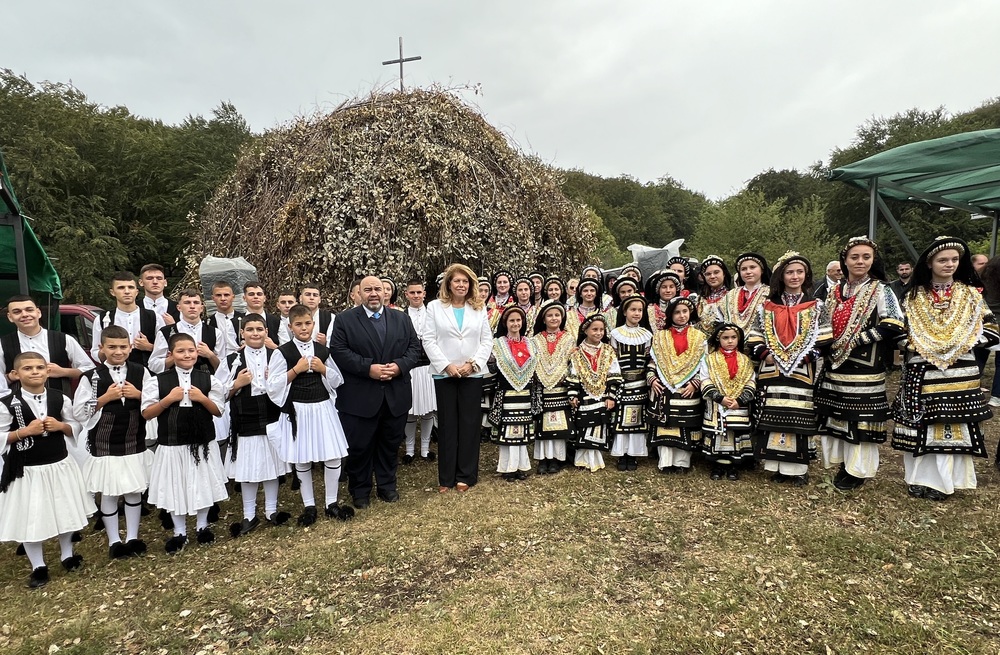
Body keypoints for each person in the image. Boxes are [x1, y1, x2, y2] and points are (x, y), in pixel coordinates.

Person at [892, 236, 998, 501]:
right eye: (942, 260)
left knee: (951, 423)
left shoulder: (970, 295)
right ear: (929, 263)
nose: (949, 264)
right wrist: (920, 346)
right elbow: (898, 332)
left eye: (954, 259)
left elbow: (993, 330)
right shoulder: (913, 296)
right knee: (923, 423)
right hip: (922, 369)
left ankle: (945, 482)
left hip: (960, 372)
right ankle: (919, 478)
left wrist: (962, 343)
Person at [815, 237, 905, 491]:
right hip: (835, 363)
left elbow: (893, 323)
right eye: (854, 257)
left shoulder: (881, 290)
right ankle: (843, 464)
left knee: (861, 417)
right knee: (837, 414)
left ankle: (858, 470)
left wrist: (859, 339)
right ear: (845, 261)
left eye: (866, 257)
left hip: (865, 362)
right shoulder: (834, 291)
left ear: (873, 260)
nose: (860, 261)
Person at [0, 352, 92, 588]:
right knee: (31, 517)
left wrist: (61, 426)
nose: (34, 372)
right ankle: (38, 565)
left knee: (65, 511)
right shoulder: (7, 403)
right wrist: (23, 432)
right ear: (15, 374)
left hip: (59, 464)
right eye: (28, 368)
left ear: (47, 371)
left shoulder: (59, 398)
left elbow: (74, 425)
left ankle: (67, 554)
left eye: (39, 368)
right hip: (28, 469)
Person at [330, 276, 422, 509]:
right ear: (358, 293)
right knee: (360, 447)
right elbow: (339, 352)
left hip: (395, 395)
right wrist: (367, 368)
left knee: (389, 444)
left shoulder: (401, 318)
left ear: (386, 293)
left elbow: (414, 348)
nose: (373, 293)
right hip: (360, 397)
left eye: (378, 289)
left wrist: (400, 365)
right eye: (368, 289)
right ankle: (360, 491)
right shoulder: (344, 320)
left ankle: (387, 486)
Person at [748, 252, 831, 486]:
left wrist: (804, 357)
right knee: (774, 415)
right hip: (771, 370)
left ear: (806, 276)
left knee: (797, 415)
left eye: (799, 272)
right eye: (789, 272)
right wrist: (766, 355)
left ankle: (798, 468)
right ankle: (777, 466)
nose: (794, 276)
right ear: (781, 276)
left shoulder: (816, 306)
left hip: (802, 371)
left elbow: (825, 339)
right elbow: (754, 337)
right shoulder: (767, 307)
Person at [141, 334, 229, 553]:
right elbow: (146, 413)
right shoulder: (158, 380)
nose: (187, 355)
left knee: (202, 482)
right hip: (173, 442)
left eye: (190, 350)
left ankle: (202, 526)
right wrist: (168, 400)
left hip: (201, 441)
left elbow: (218, 411)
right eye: (181, 351)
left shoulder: (208, 379)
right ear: (171, 354)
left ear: (196, 351)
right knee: (175, 485)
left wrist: (202, 398)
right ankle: (179, 531)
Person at [266, 305, 353, 523]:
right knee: (302, 457)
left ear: (313, 324)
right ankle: (309, 506)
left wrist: (323, 369)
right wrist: (296, 370)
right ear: (290, 326)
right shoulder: (282, 352)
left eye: (307, 323)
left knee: (332, 454)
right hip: (298, 409)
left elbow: (337, 380)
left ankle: (331, 503)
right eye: (298, 324)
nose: (303, 328)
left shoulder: (323, 350)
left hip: (322, 406)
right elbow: (273, 385)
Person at [74, 326, 152, 559]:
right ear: (102, 348)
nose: (118, 351)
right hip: (104, 440)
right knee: (109, 491)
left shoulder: (141, 371)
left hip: (133, 436)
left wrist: (138, 395)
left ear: (129, 348)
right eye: (112, 347)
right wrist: (104, 398)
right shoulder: (91, 377)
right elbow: (79, 412)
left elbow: (154, 400)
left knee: (133, 490)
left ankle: (133, 537)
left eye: (122, 347)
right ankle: (114, 540)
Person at [216, 315, 290, 536]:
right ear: (242, 333)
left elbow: (285, 385)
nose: (255, 333)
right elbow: (220, 393)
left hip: (271, 413)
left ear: (267, 331)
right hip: (244, 414)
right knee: (247, 467)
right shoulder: (231, 360)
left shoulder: (276, 356)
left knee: (271, 465)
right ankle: (249, 514)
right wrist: (237, 384)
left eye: (259, 329)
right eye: (250, 329)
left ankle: (271, 510)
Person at [422, 264, 493, 492]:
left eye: (465, 281)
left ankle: (466, 475)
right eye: (457, 281)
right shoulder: (434, 307)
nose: (461, 285)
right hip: (445, 374)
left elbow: (486, 341)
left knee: (470, 424)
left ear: (470, 284)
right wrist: (446, 365)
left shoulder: (479, 308)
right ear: (448, 284)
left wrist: (473, 364)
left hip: (471, 373)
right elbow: (428, 340)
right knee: (448, 424)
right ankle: (446, 478)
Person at [648, 297, 706, 473]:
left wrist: (695, 384)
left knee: (684, 424)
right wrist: (651, 379)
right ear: (670, 315)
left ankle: (682, 462)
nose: (681, 316)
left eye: (685, 312)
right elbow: (653, 361)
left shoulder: (699, 337)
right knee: (665, 424)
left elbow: (703, 365)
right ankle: (665, 462)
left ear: (691, 313)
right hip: (663, 387)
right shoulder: (660, 336)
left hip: (688, 388)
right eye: (677, 312)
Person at [2, 295, 94, 396]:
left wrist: (63, 371)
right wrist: (10, 377)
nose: (24, 314)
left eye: (29, 310)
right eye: (17, 312)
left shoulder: (64, 339)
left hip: (60, 404)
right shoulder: (2, 344)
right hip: (18, 406)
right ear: (10, 317)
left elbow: (90, 370)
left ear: (38, 313)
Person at [487, 306, 537, 481]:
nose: (515, 323)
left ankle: (521, 466)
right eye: (512, 320)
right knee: (507, 429)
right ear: (505, 323)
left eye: (518, 320)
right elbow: (492, 367)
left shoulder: (530, 343)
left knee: (521, 430)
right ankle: (508, 467)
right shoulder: (497, 344)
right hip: (506, 392)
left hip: (524, 393)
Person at [700, 324, 756, 480]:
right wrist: (720, 398)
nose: (730, 341)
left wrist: (740, 400)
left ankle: (733, 465)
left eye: (733, 337)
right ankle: (717, 465)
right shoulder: (709, 360)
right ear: (719, 339)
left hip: (738, 405)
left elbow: (751, 382)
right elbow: (704, 380)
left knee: (735, 433)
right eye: (725, 338)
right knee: (718, 434)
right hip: (718, 404)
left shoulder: (745, 360)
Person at [567, 314, 621, 471]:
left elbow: (614, 375)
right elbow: (573, 374)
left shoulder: (608, 350)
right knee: (583, 424)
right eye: (595, 329)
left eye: (602, 330)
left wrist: (611, 396)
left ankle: (595, 460)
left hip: (602, 395)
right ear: (585, 330)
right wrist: (573, 395)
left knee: (599, 424)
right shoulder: (577, 352)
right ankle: (582, 460)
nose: (598, 333)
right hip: (584, 394)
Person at [530, 300, 576, 475]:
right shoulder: (535, 340)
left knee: (559, 424)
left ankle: (557, 459)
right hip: (542, 387)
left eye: (557, 315)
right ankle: (543, 459)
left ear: (562, 317)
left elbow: (572, 363)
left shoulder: (569, 338)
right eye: (550, 315)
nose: (554, 318)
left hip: (561, 387)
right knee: (543, 424)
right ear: (543, 318)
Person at [608, 295, 652, 471]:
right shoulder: (615, 334)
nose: (636, 313)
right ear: (625, 311)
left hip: (640, 382)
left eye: (640, 310)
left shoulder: (647, 335)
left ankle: (633, 454)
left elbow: (648, 358)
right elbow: (612, 359)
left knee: (637, 418)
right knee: (622, 418)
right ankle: (621, 454)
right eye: (633, 309)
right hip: (622, 381)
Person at [91, 271, 163, 368]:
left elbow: (166, 351)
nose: (127, 291)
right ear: (112, 292)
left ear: (136, 292)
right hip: (113, 373)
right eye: (121, 288)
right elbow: (95, 351)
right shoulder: (102, 319)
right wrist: (107, 350)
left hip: (147, 374)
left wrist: (149, 347)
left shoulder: (154, 317)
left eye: (131, 287)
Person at [149, 289, 227, 375]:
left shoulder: (215, 333)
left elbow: (224, 368)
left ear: (201, 308)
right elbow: (153, 365)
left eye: (196, 303)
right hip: (174, 381)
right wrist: (174, 357)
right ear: (179, 307)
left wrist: (210, 355)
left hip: (206, 382)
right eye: (187, 303)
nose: (192, 306)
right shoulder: (165, 332)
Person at [402, 279, 437, 463]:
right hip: (410, 368)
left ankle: (425, 448)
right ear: (406, 294)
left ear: (424, 293)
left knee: (428, 410)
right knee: (411, 410)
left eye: (419, 292)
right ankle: (409, 450)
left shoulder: (433, 313)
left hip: (429, 366)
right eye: (412, 292)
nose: (416, 296)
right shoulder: (401, 315)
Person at [708, 253, 771, 342]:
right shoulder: (731, 295)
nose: (748, 272)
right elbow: (719, 319)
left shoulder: (770, 294)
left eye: (752, 267)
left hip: (761, 347)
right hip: (731, 346)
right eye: (743, 269)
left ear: (762, 270)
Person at [979, 256, 1000, 410]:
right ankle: (996, 396)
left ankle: (969, 390)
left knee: (978, 359)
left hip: (983, 324)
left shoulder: (982, 280)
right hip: (998, 326)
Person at [206, 280, 243, 353]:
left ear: (233, 297)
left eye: (226, 295)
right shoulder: (207, 323)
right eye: (218, 295)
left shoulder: (244, 319)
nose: (223, 298)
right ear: (213, 298)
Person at [243, 282, 282, 349]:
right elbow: (229, 352)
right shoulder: (234, 322)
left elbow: (287, 348)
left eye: (259, 294)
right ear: (244, 298)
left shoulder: (277, 321)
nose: (256, 297)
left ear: (264, 298)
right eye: (251, 294)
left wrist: (274, 347)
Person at [697, 256, 732, 320]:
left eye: (716, 272)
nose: (712, 276)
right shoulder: (699, 299)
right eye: (708, 274)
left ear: (724, 274)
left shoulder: (732, 296)